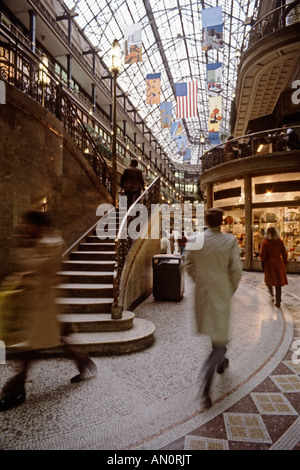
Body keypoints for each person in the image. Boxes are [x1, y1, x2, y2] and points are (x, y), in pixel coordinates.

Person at [0, 210, 97, 412]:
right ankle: (83, 361)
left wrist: (26, 251)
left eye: (29, 224)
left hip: (44, 304)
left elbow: (40, 267)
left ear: (38, 225)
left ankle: (16, 388)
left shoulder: (51, 243)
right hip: (38, 304)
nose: (26, 228)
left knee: (31, 349)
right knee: (57, 339)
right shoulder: (40, 242)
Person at [185, 208, 242, 410]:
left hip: (203, 295)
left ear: (206, 221)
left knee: (217, 334)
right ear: (221, 222)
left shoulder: (196, 239)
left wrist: (200, 281)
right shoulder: (229, 241)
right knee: (219, 340)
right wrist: (229, 289)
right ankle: (205, 390)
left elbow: (188, 264)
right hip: (220, 294)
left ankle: (221, 361)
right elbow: (236, 269)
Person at [260, 226, 288, 308]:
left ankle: (271, 293)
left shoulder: (265, 243)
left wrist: (263, 261)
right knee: (278, 283)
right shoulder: (280, 242)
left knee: (269, 281)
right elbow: (284, 253)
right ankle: (278, 301)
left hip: (269, 264)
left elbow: (262, 255)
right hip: (278, 263)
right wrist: (285, 261)